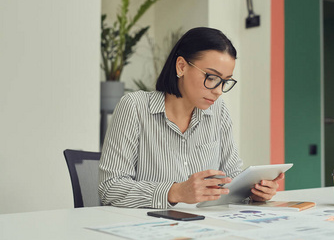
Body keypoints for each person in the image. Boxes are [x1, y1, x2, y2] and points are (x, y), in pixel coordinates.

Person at [98, 27, 284, 209]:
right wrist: (176, 192)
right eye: (211, 77)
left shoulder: (218, 111)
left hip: (206, 227)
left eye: (225, 81)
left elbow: (231, 177)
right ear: (181, 66)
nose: (219, 91)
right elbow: (110, 187)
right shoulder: (134, 107)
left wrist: (253, 192)